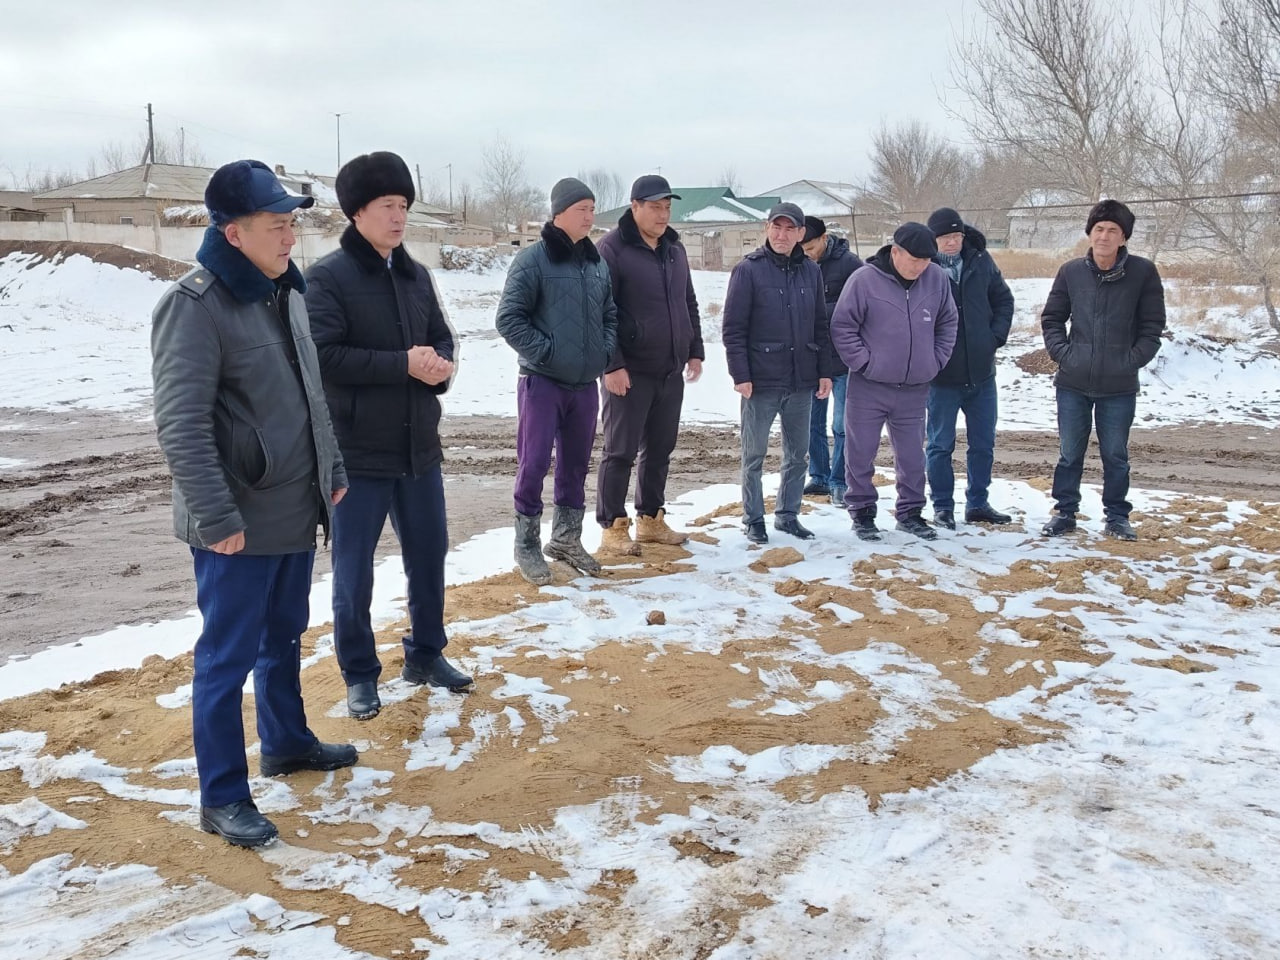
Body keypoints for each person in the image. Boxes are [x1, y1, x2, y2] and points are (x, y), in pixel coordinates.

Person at [151, 160, 356, 848]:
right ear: (233, 233)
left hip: (293, 508)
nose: (290, 237)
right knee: (226, 657)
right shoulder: (194, 306)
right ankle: (222, 796)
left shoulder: (285, 291)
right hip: (235, 521)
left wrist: (331, 468)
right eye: (276, 225)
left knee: (284, 634)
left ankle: (287, 742)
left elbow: (310, 395)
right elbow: (181, 424)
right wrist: (215, 517)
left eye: (292, 223)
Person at [306, 151, 473, 723]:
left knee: (428, 557)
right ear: (357, 212)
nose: (399, 216)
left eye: (403, 205)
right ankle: (359, 673)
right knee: (354, 571)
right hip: (357, 453)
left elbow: (442, 340)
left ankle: (426, 654)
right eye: (387, 205)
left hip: (418, 449)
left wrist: (441, 367)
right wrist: (402, 364)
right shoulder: (327, 278)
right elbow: (324, 357)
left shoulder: (416, 275)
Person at [495, 177, 618, 582]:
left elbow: (610, 314)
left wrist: (603, 352)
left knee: (575, 466)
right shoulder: (533, 260)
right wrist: (547, 352)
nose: (590, 217)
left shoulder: (595, 262)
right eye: (582, 209)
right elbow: (508, 319)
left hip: (584, 386)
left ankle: (566, 538)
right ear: (559, 212)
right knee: (533, 464)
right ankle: (527, 544)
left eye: (592, 209)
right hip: (542, 382)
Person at [1040, 199, 1167, 540]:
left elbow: (1153, 325)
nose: (1104, 236)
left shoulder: (1142, 273)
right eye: (1099, 229)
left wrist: (1132, 359)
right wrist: (1064, 354)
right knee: (1069, 453)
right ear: (1090, 233)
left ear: (1123, 238)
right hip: (1072, 381)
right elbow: (1052, 318)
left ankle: (1117, 517)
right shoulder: (1071, 272)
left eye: (1113, 230)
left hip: (1119, 386)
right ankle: (1065, 512)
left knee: (1115, 455)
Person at [595, 174, 704, 555]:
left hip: (669, 369)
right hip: (630, 371)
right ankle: (612, 526)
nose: (663, 215)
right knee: (620, 451)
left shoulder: (674, 249)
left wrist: (694, 349)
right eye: (655, 207)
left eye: (667, 207)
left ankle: (651, 519)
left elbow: (688, 301)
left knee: (659, 449)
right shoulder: (612, 249)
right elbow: (601, 312)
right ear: (635, 206)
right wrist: (611, 365)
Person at [830, 222, 958, 542]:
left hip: (915, 387)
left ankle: (910, 513)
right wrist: (865, 363)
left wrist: (935, 360)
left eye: (926, 260)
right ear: (896, 252)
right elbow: (843, 326)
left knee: (913, 456)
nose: (920, 267)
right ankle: (862, 512)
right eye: (914, 260)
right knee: (860, 452)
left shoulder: (937, 279)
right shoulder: (864, 280)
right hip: (869, 386)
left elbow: (948, 321)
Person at [722, 202, 833, 545]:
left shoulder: (811, 272)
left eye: (789, 229)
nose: (781, 235)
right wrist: (741, 374)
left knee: (798, 454)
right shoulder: (748, 270)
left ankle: (788, 515)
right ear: (767, 228)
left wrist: (825, 371)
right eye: (776, 227)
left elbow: (820, 325)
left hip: (801, 379)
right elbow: (733, 329)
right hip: (761, 380)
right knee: (754, 455)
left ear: (801, 233)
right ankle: (754, 519)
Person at [923, 206, 1016, 530]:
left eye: (957, 236)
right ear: (933, 240)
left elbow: (1004, 300)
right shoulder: (924, 269)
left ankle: (978, 503)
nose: (952, 243)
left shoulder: (980, 261)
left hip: (981, 374)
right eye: (945, 237)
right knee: (939, 445)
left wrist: (994, 337)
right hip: (941, 378)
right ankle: (942, 507)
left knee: (983, 444)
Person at [800, 215, 863, 505]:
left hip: (843, 358)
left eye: (811, 247)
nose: (807, 254)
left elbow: (862, 304)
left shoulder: (850, 265)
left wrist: (819, 312)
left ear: (824, 239)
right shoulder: (797, 264)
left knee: (842, 425)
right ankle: (819, 476)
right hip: (811, 358)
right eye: (802, 249)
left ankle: (840, 480)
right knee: (811, 423)